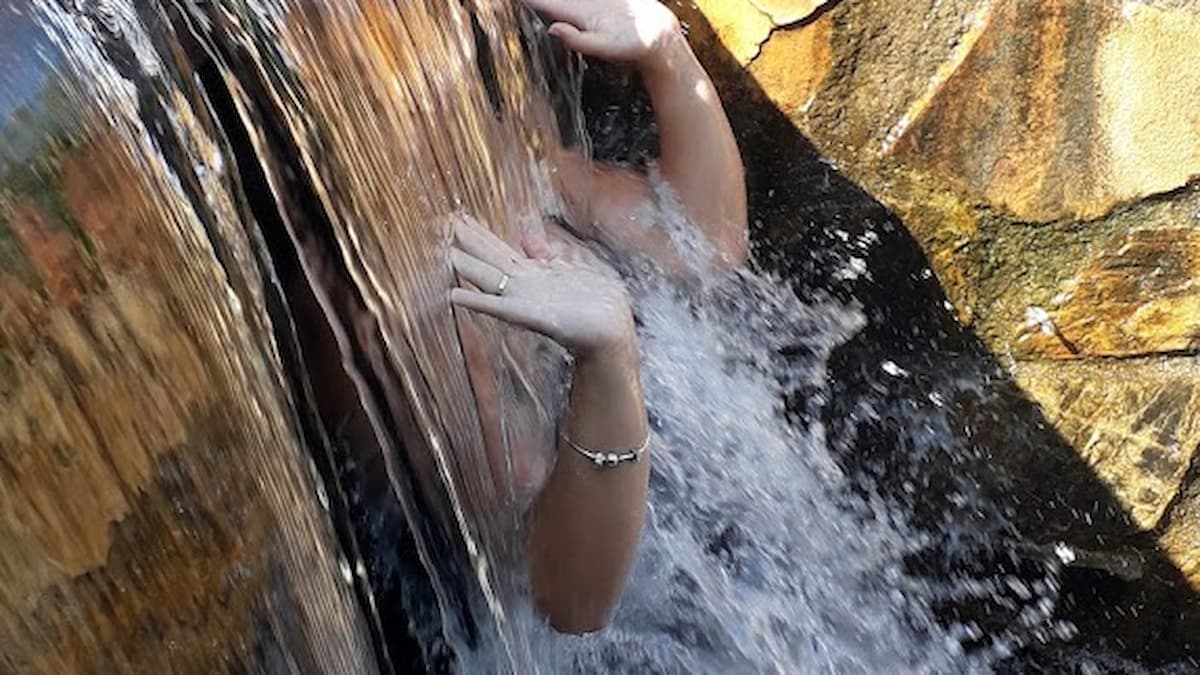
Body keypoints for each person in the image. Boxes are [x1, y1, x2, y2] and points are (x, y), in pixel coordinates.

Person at [447, 0, 747, 634]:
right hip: (635, 622)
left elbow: (705, 246)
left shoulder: (495, 149)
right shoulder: (396, 283)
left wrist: (664, 52)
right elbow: (567, 600)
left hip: (715, 536)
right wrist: (608, 359)